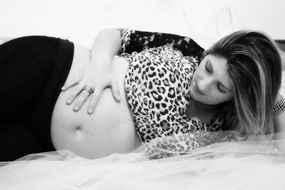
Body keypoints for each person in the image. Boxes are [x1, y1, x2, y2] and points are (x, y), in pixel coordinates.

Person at [0, 28, 284, 161]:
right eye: (208, 67)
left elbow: (278, 148)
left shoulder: (225, 128)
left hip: (44, 141)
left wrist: (275, 98)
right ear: (209, 53)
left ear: (237, 99)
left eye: (221, 88)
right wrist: (100, 66)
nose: (204, 84)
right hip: (51, 70)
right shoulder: (186, 48)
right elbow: (115, 34)